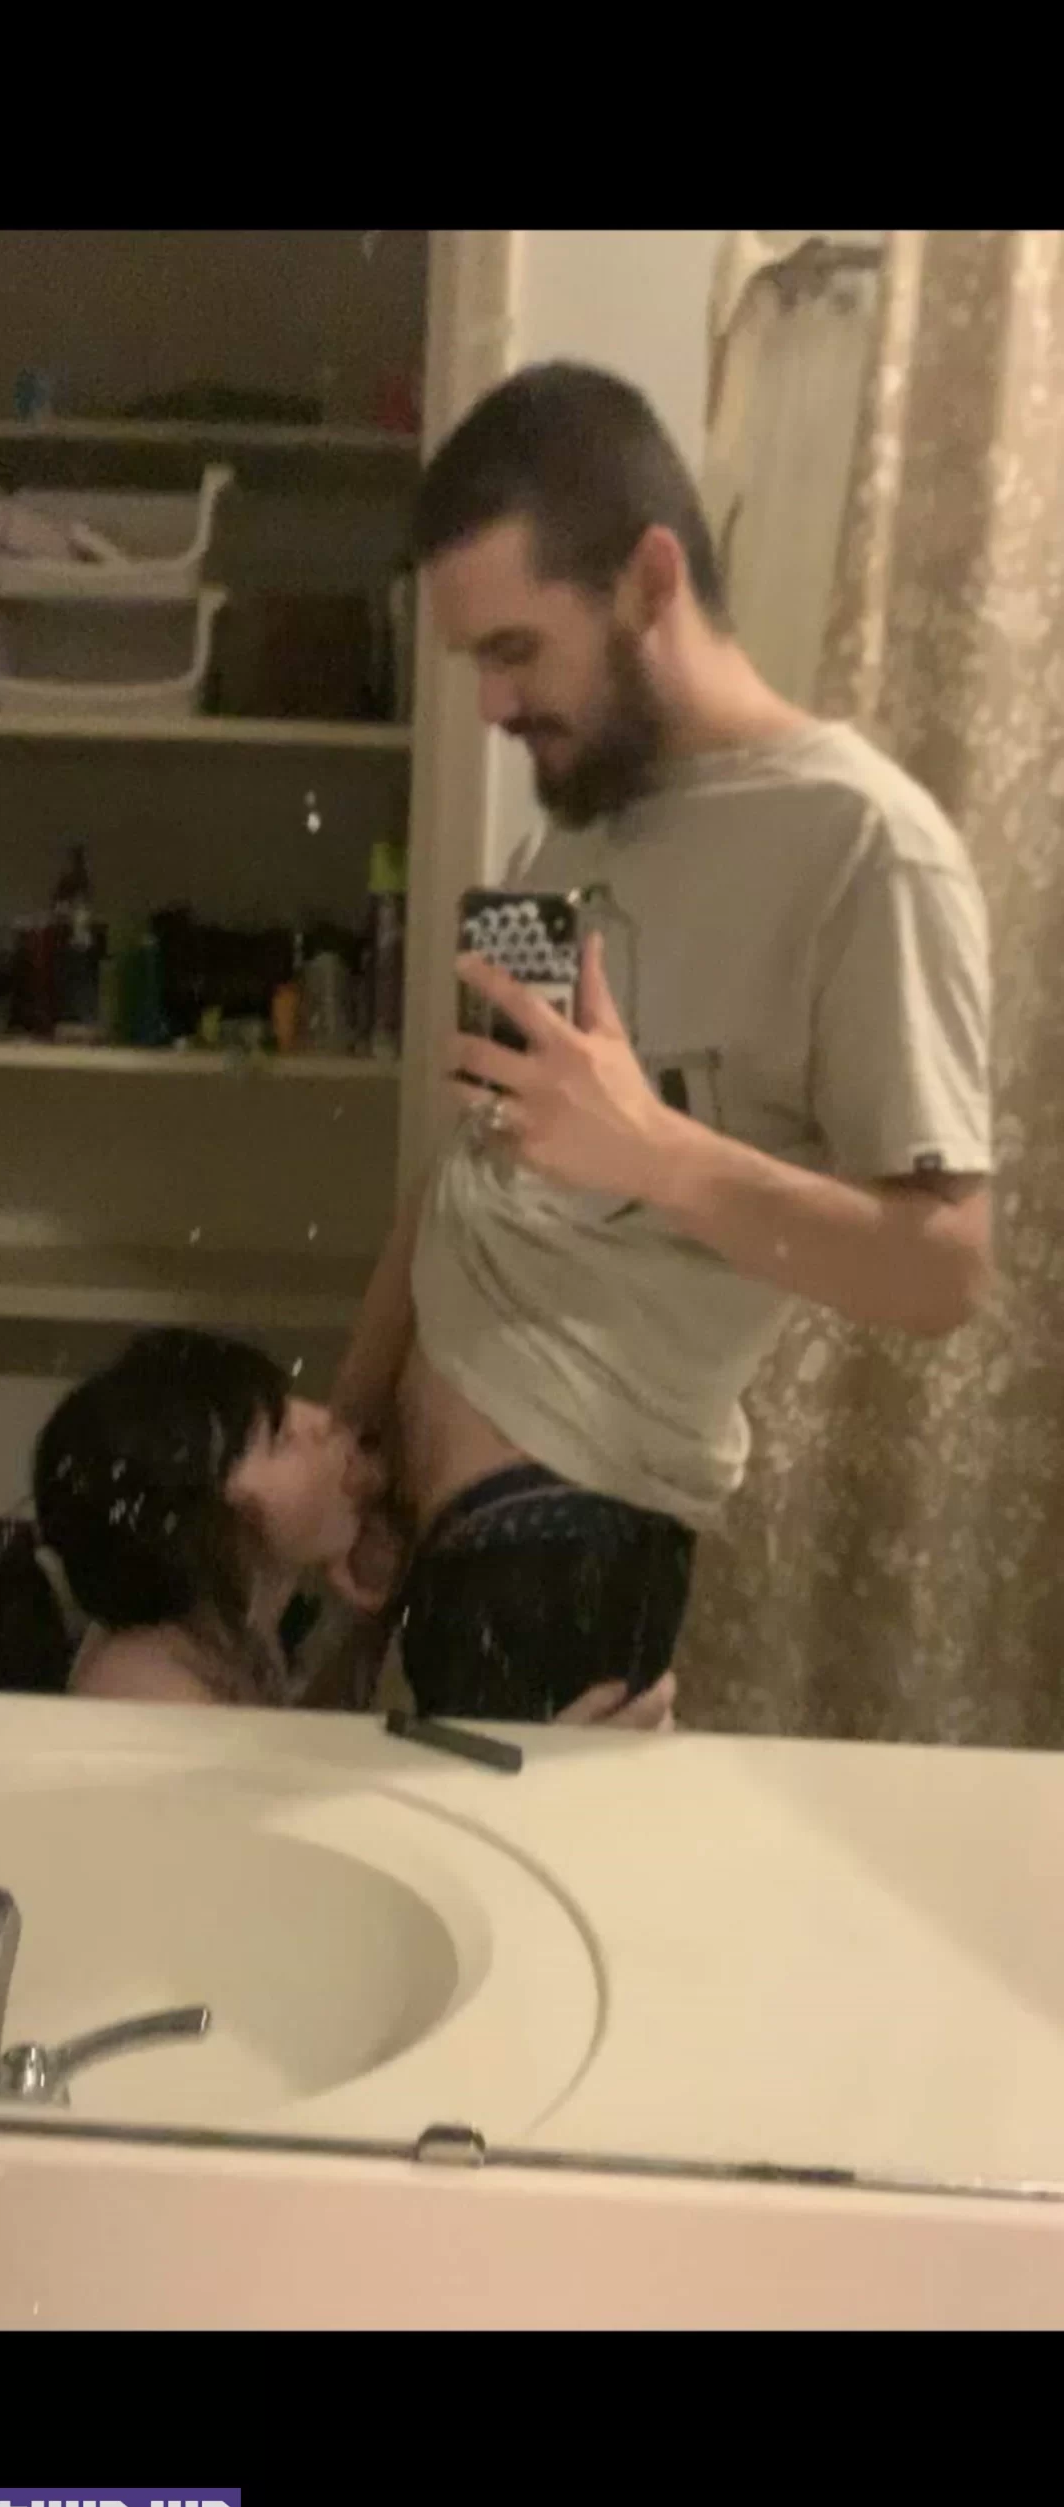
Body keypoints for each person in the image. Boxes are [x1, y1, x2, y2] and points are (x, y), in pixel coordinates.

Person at [332, 361, 993, 1724]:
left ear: (646, 581)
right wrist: (351, 1437)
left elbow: (941, 1270)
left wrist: (651, 1151)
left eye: (514, 650)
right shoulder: (579, 809)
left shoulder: (865, 849)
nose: (489, 708)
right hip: (426, 1527)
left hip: (567, 1543)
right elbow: (473, 1155)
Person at [0, 1325, 675, 1729]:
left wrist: (371, 1619)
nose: (325, 1422)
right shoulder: (148, 1697)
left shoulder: (222, 1626)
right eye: (281, 1439)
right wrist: (543, 1772)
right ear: (210, 1520)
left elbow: (302, 1750)